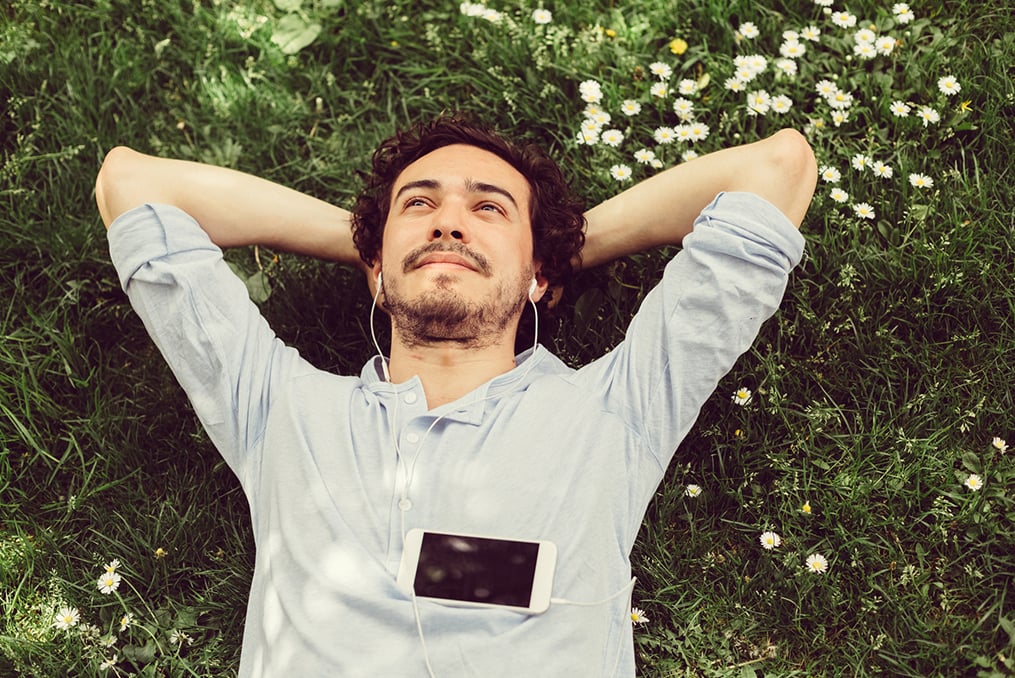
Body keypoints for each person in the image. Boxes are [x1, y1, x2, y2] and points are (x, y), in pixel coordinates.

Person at [96, 114, 816, 677]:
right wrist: (374, 246)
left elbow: (774, 168)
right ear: (374, 267)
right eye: (419, 205)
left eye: (489, 209)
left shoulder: (616, 409)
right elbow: (130, 185)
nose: (448, 221)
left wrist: (553, 251)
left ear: (539, 275)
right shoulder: (280, 407)